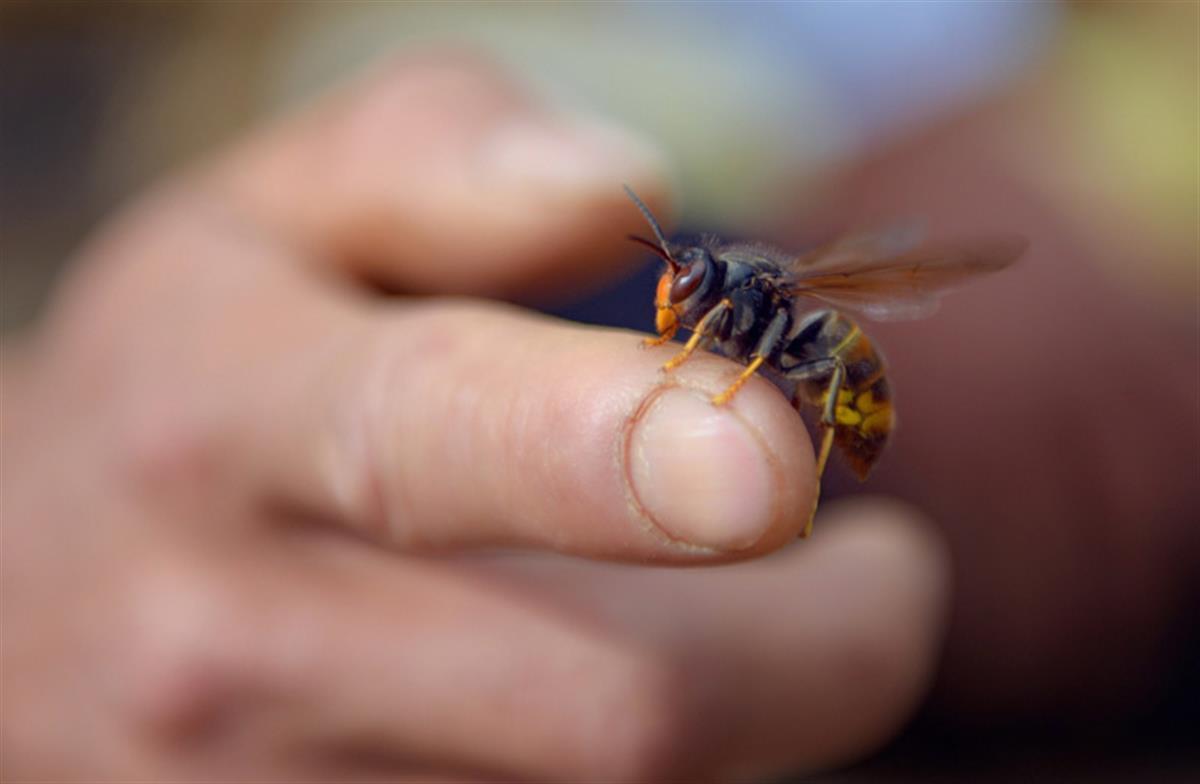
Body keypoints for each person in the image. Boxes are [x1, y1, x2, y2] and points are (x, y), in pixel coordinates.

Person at [1, 55, 947, 780]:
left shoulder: (763, 292)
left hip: (843, 392)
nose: (676, 299)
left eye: (686, 287)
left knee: (809, 376)